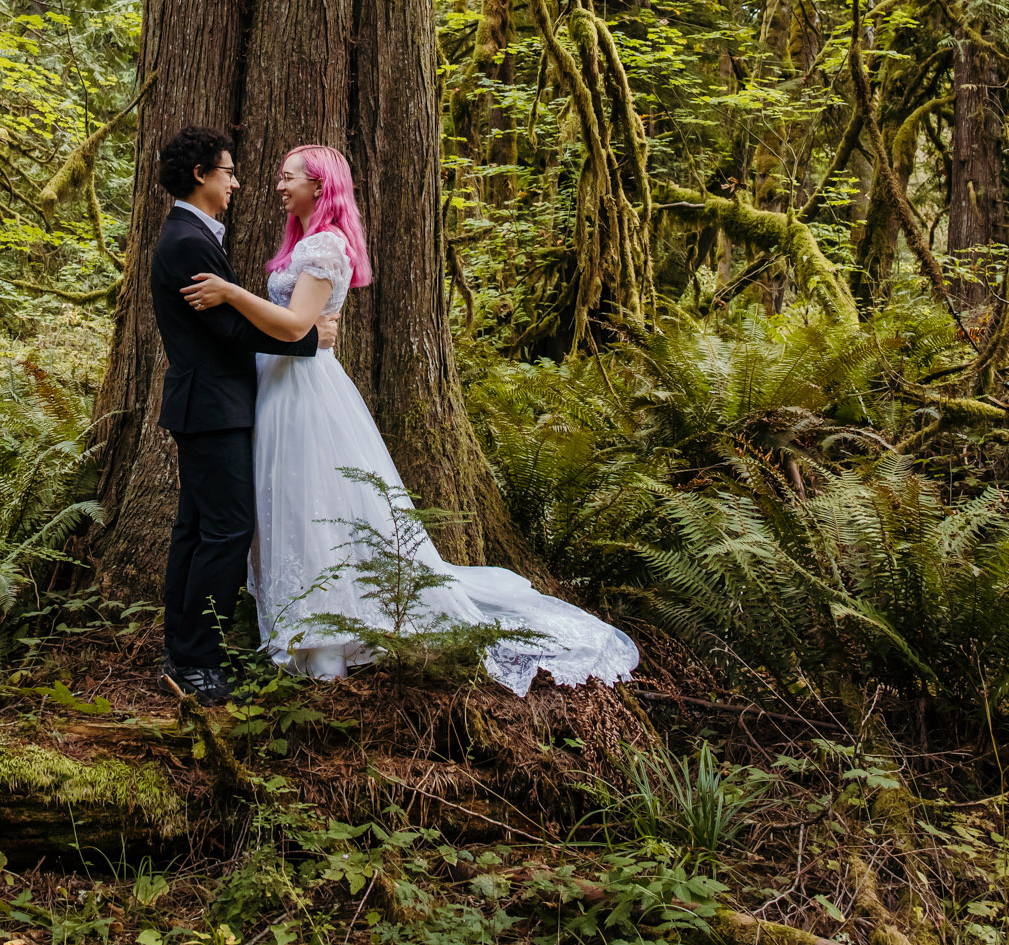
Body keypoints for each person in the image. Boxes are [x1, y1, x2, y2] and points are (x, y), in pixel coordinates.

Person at [182, 145, 639, 695]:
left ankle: (327, 643)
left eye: (289, 178)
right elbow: (297, 325)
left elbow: (296, 326)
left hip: (304, 391)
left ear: (320, 186)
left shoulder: (325, 245)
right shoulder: (304, 244)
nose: (279, 187)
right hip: (278, 387)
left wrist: (231, 294)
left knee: (314, 506)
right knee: (290, 504)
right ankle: (306, 629)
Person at [146, 124, 330, 705]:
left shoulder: (194, 234)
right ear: (201, 175)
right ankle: (198, 661)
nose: (237, 182)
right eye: (228, 172)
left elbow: (226, 317)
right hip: (212, 405)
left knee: (197, 529)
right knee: (225, 531)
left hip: (207, 402)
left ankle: (183, 647)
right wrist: (309, 339)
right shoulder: (187, 241)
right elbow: (226, 329)